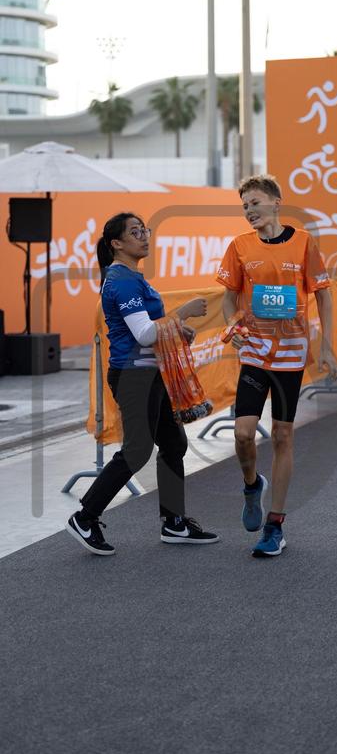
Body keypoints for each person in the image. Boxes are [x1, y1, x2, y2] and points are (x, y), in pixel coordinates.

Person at [66, 212, 219, 556]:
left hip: (149, 374)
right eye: (135, 232)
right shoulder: (122, 281)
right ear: (116, 244)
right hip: (134, 377)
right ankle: (85, 517)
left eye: (145, 230)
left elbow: (152, 328)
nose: (144, 237)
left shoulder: (131, 277)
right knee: (137, 451)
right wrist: (183, 313)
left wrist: (176, 329)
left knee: (174, 443)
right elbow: (145, 334)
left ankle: (174, 523)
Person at [216, 174, 337, 557]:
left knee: (283, 435)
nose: (249, 211)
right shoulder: (239, 246)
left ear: (276, 202)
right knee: (242, 434)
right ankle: (252, 485)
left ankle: (275, 526)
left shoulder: (303, 243)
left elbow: (324, 297)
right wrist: (233, 326)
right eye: (244, 206)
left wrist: (327, 347)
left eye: (254, 203)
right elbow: (228, 298)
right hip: (254, 352)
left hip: (290, 355)